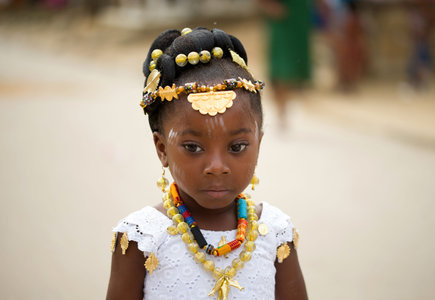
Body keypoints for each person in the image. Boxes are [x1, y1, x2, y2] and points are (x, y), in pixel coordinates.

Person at [106, 27, 308, 300]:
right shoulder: (142, 238)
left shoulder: (274, 233)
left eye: (236, 147)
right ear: (162, 149)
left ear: (258, 144)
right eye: (193, 147)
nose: (216, 166)